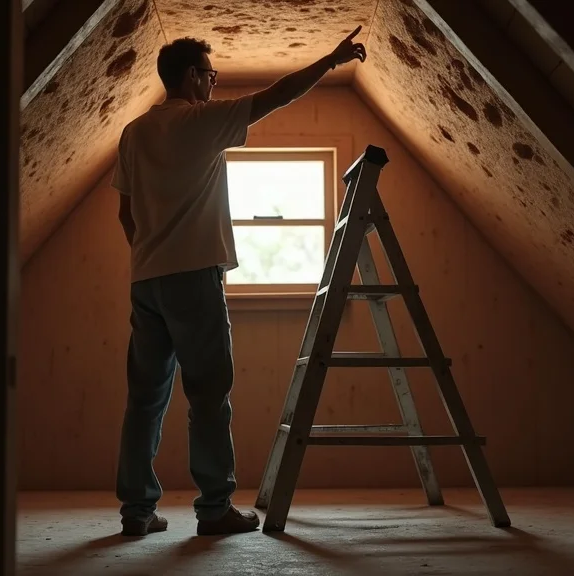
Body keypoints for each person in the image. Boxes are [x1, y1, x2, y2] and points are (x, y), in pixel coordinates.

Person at [111, 26, 367, 537]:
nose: (214, 83)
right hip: (193, 276)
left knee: (145, 399)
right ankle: (214, 509)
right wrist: (330, 60)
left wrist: (150, 255)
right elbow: (276, 96)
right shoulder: (201, 121)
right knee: (208, 395)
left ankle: (136, 513)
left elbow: (125, 213)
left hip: (147, 281)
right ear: (191, 77)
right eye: (210, 74)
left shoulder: (133, 132)